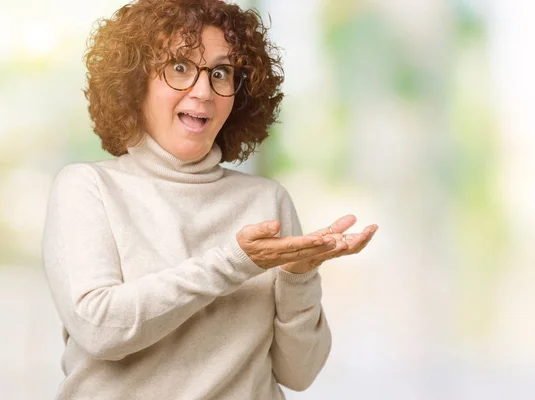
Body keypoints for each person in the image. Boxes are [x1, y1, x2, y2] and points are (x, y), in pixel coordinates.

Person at [42, 0, 378, 398]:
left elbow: (299, 372)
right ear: (136, 82)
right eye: (180, 67)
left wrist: (299, 276)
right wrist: (235, 262)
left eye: (221, 72)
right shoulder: (87, 187)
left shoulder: (266, 201)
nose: (204, 91)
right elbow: (100, 329)